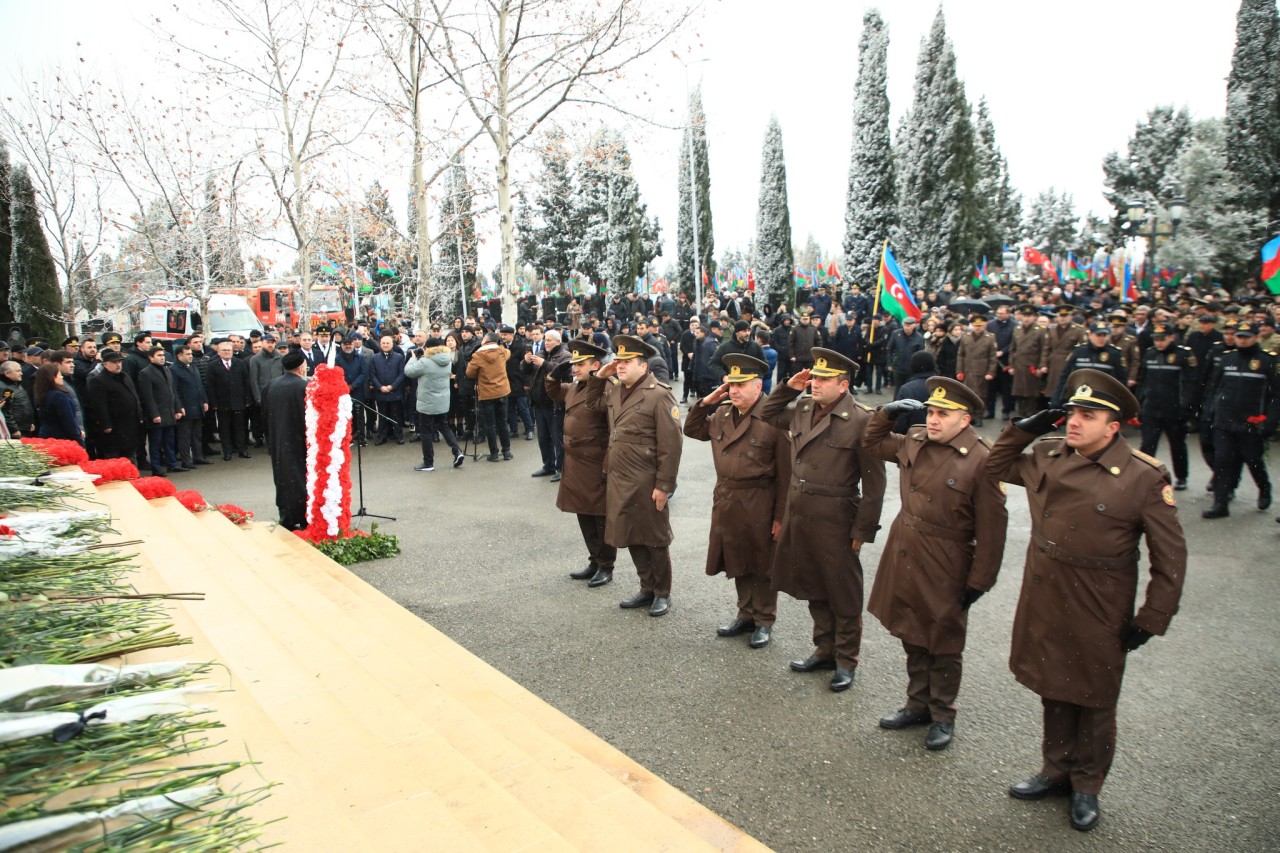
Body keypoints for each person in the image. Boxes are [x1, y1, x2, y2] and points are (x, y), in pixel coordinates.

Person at [986, 369, 1187, 833]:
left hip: (1100, 599)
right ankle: (1055, 770)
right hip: (1045, 591)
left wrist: (1153, 616)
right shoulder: (1048, 455)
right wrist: (1026, 428)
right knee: (1053, 684)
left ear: (1113, 427)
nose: (1073, 422)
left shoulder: (1142, 476)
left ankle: (1087, 785)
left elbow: (1170, 555)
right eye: (1072, 413)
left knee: (1094, 696)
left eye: (1087, 415)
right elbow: (994, 466)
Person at [863, 378, 1007, 751]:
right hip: (907, 548)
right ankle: (917, 704)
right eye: (931, 412)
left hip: (948, 559)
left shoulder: (982, 459)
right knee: (911, 631)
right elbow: (872, 443)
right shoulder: (915, 439)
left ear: (965, 419)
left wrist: (979, 582)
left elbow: (993, 531)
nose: (933, 420)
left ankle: (943, 713)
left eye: (943, 414)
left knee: (943, 642)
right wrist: (885, 414)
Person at [760, 347, 886, 693]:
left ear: (843, 385)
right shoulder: (802, 407)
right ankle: (823, 649)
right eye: (814, 377)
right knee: (813, 584)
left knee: (842, 591)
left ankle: (846, 660)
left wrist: (863, 529)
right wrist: (789, 386)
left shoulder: (861, 419)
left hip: (837, 516)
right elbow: (768, 413)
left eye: (824, 379)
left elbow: (875, 484)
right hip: (801, 512)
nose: (815, 383)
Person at [683, 353, 789, 649]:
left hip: (760, 500)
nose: (734, 391)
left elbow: (786, 474)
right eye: (731, 385)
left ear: (758, 386)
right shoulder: (722, 414)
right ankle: (745, 613)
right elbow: (691, 429)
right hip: (728, 499)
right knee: (737, 558)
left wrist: (781, 516)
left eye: (741, 385)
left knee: (762, 563)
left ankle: (764, 619)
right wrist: (707, 401)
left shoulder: (775, 417)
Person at [583, 335, 683, 617]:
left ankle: (662, 592)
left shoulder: (659, 394)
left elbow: (671, 445)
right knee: (630, 533)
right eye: (618, 361)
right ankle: (646, 587)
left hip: (646, 479)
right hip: (619, 478)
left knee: (654, 538)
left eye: (626, 362)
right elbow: (593, 405)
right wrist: (598, 376)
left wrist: (664, 485)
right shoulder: (615, 389)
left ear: (643, 365)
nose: (620, 365)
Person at [546, 340, 615, 587]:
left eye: (580, 364)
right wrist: (553, 375)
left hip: (595, 461)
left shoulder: (607, 388)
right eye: (573, 364)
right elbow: (554, 392)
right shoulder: (577, 386)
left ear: (596, 365)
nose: (575, 369)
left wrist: (608, 464)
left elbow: (613, 430)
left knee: (600, 517)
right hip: (575, 461)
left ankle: (606, 566)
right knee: (583, 514)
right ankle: (594, 560)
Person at [1201, 321, 1279, 517]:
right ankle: (1221, 503)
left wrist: (1269, 421)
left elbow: (1276, 395)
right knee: (1222, 460)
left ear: (1255, 337)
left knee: (1253, 460)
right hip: (1225, 419)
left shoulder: (1268, 361)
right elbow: (1215, 387)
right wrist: (1209, 412)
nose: (1242, 340)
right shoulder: (1228, 359)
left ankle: (1264, 488)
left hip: (1251, 421)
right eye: (1239, 336)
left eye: (1246, 337)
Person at [1137, 324, 1198, 491]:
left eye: (1162, 339)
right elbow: (1142, 380)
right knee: (1147, 444)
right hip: (1152, 407)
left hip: (1174, 409)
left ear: (1171, 337)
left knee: (1177, 445)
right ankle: (1144, 475)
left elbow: (1190, 384)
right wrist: (1139, 403)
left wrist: (1186, 408)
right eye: (1156, 339)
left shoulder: (1183, 355)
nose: (1159, 343)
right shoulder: (1150, 353)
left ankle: (1181, 476)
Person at [263, 350, 310, 530]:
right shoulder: (304, 387)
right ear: (300, 367)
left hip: (278, 440)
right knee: (300, 479)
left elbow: (264, 415)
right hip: (299, 439)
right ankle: (304, 516)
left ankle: (287, 517)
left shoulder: (271, 385)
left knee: (282, 478)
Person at [404, 337, 465, 471]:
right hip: (442, 401)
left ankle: (428, 462)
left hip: (427, 402)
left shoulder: (425, 361)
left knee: (426, 431)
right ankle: (457, 451)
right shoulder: (447, 360)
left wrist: (414, 357)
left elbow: (409, 372)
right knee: (444, 426)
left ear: (428, 349)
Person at [524, 329, 569, 480]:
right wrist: (526, 361)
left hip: (555, 404)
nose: (546, 342)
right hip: (539, 403)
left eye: (549, 340)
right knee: (543, 438)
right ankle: (548, 465)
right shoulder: (541, 353)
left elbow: (563, 374)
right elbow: (525, 370)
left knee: (558, 438)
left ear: (558, 341)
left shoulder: (565, 355)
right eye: (545, 339)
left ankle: (561, 468)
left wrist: (544, 364)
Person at [87, 349, 144, 464]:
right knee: (114, 458)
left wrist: (140, 416)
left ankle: (133, 477)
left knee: (130, 455)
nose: (118, 365)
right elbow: (99, 405)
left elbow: (134, 397)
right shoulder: (98, 380)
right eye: (114, 362)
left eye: (119, 362)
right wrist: (106, 424)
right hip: (114, 426)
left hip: (130, 424)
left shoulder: (125, 376)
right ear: (105, 364)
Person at [1050, 323, 1126, 407]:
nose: (1102, 338)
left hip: (1103, 398)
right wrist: (1057, 400)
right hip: (1079, 396)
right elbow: (1064, 376)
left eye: (1104, 335)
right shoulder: (1079, 351)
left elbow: (1121, 380)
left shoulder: (1114, 353)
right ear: (1089, 335)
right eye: (1098, 335)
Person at [466, 332, 513, 462]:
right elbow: (508, 353)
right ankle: (507, 451)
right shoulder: (502, 352)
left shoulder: (478, 355)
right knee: (502, 422)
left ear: (485, 340)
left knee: (490, 425)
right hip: (502, 391)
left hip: (486, 394)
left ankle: (494, 453)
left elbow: (469, 373)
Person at [136, 346, 182, 474]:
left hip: (169, 412)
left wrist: (177, 409)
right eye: (159, 355)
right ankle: (156, 468)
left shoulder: (167, 370)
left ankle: (172, 464)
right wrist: (154, 414)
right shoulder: (145, 373)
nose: (162, 358)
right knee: (156, 443)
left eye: (163, 355)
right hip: (157, 414)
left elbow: (173, 391)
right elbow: (147, 396)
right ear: (151, 358)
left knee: (169, 441)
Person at [205, 340, 253, 460]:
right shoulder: (212, 365)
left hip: (239, 401)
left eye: (229, 350)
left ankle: (242, 450)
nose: (227, 352)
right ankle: (227, 451)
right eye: (224, 350)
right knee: (224, 428)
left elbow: (246, 382)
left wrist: (247, 399)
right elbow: (210, 385)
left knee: (240, 427)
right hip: (222, 403)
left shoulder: (240, 363)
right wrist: (214, 403)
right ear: (218, 352)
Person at [171, 345, 212, 468]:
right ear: (179, 356)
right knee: (185, 436)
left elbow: (199, 386)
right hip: (185, 407)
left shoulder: (193, 367)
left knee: (197, 434)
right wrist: (179, 407)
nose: (191, 356)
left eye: (191, 354)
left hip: (197, 405)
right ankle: (186, 460)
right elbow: (175, 390)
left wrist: (204, 401)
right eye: (188, 354)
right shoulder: (174, 370)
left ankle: (198, 456)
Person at [955, 315, 998, 426]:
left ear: (984, 325)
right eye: (975, 326)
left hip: (981, 371)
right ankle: (970, 416)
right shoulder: (966, 336)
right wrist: (959, 370)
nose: (977, 328)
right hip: (968, 370)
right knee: (967, 395)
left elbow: (993, 357)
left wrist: (991, 372)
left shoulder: (990, 337)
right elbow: (961, 355)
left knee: (980, 395)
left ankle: (979, 416)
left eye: (980, 326)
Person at [1008, 306, 1048, 418]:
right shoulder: (1017, 329)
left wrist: (1041, 366)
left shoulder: (1040, 331)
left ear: (1034, 317)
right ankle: (1021, 414)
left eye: (1029, 316)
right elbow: (1013, 349)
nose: (1027, 318)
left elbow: (1043, 350)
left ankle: (1030, 416)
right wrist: (1011, 365)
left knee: (1031, 393)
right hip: (1019, 365)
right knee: (1019, 392)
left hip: (1032, 366)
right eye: (1025, 316)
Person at [34, 363, 84, 445]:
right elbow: (68, 421)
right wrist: (79, 440)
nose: (62, 377)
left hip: (46, 436)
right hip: (61, 439)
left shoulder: (42, 394)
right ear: (53, 378)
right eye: (59, 375)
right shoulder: (58, 396)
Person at [371, 333, 407, 445]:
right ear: (380, 344)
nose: (385, 345)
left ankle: (398, 435)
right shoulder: (375, 357)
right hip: (380, 391)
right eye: (383, 343)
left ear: (392, 344)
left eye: (388, 343)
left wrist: (392, 386)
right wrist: (380, 387)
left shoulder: (399, 357)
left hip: (395, 391)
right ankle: (382, 436)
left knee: (396, 414)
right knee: (382, 415)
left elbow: (402, 374)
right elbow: (372, 375)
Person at [0, 360, 35, 437]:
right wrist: (14, 429)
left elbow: (24, 405)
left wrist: (29, 423)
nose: (21, 373)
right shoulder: (5, 388)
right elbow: (5, 410)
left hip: (24, 427)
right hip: (17, 430)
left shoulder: (16, 384)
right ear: (7, 373)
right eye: (18, 371)